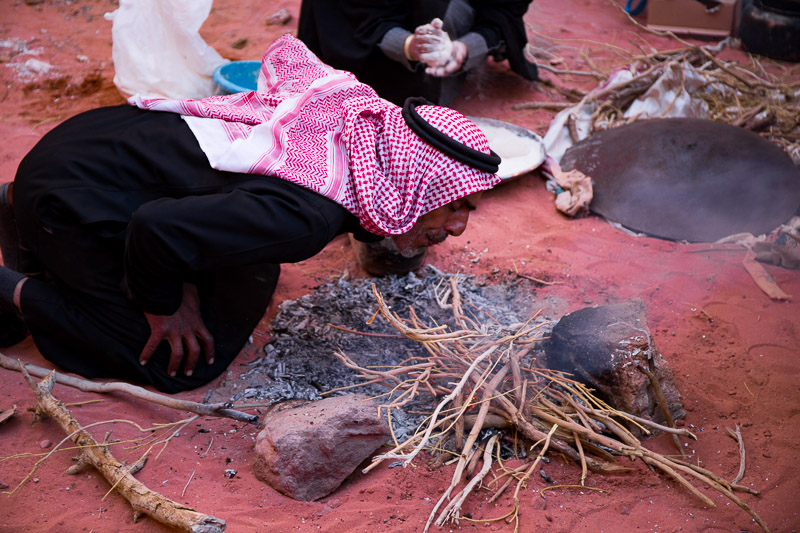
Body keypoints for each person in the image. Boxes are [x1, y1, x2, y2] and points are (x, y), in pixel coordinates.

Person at [0, 34, 500, 394]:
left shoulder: (358, 138)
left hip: (97, 145)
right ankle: (15, 278)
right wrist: (166, 304)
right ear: (415, 179)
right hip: (69, 194)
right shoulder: (310, 219)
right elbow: (155, 227)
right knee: (177, 363)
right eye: (455, 204)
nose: (456, 227)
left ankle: (16, 210)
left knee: (250, 277)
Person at [297, 0, 539, 107]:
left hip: (443, 22)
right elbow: (356, 13)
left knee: (448, 15)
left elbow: (504, 11)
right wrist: (409, 44)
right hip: (357, 22)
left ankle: (438, 71)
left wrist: (463, 48)